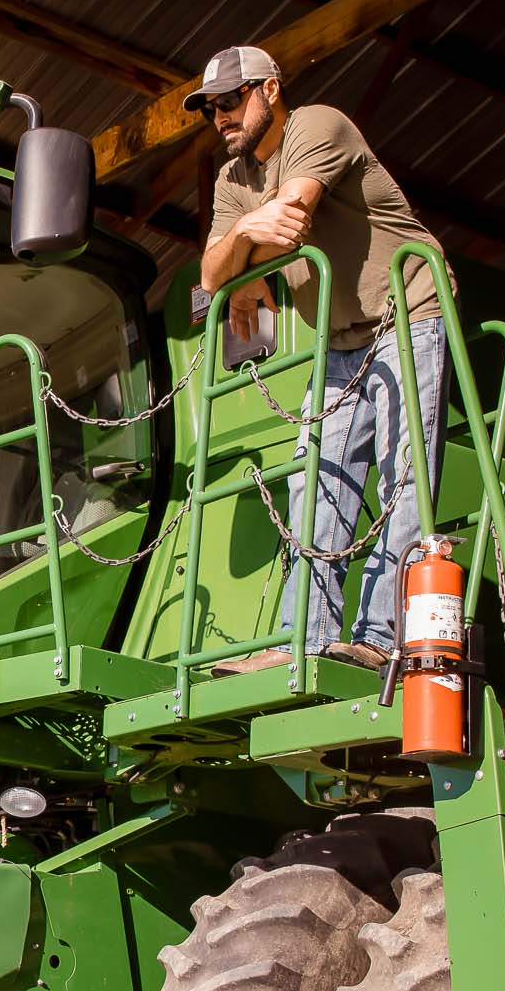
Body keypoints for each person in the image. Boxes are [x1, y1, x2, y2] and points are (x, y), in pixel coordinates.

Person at [190, 44, 450, 673]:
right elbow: (210, 272)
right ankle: (303, 639)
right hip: (337, 340)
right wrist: (247, 241)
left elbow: (295, 218)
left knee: (403, 479)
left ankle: (382, 636)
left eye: (232, 101)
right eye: (210, 110)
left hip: (408, 313)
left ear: (269, 91)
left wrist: (247, 255)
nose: (221, 117)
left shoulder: (317, 124)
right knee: (315, 481)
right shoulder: (233, 179)